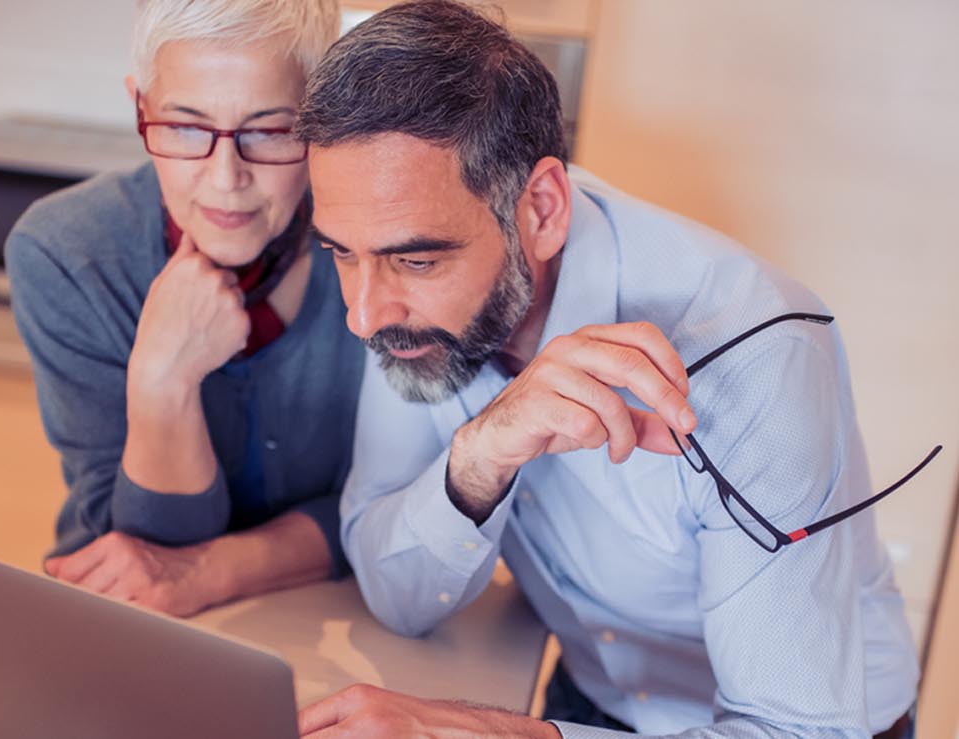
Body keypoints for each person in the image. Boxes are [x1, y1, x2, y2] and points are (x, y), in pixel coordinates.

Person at [293, 2, 928, 737]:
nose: (363, 315)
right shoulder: (407, 306)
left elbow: (794, 729)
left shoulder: (755, 352)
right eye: (340, 251)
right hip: (586, 697)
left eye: (418, 258)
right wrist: (478, 455)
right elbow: (393, 590)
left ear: (541, 208)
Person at [5, 0, 363, 619]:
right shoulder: (66, 251)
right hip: (133, 626)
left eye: (272, 131)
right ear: (140, 108)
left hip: (341, 624)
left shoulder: (375, 247)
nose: (226, 179)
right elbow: (139, 554)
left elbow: (390, 506)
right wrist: (162, 379)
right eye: (186, 127)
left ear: (322, 122)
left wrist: (215, 571)